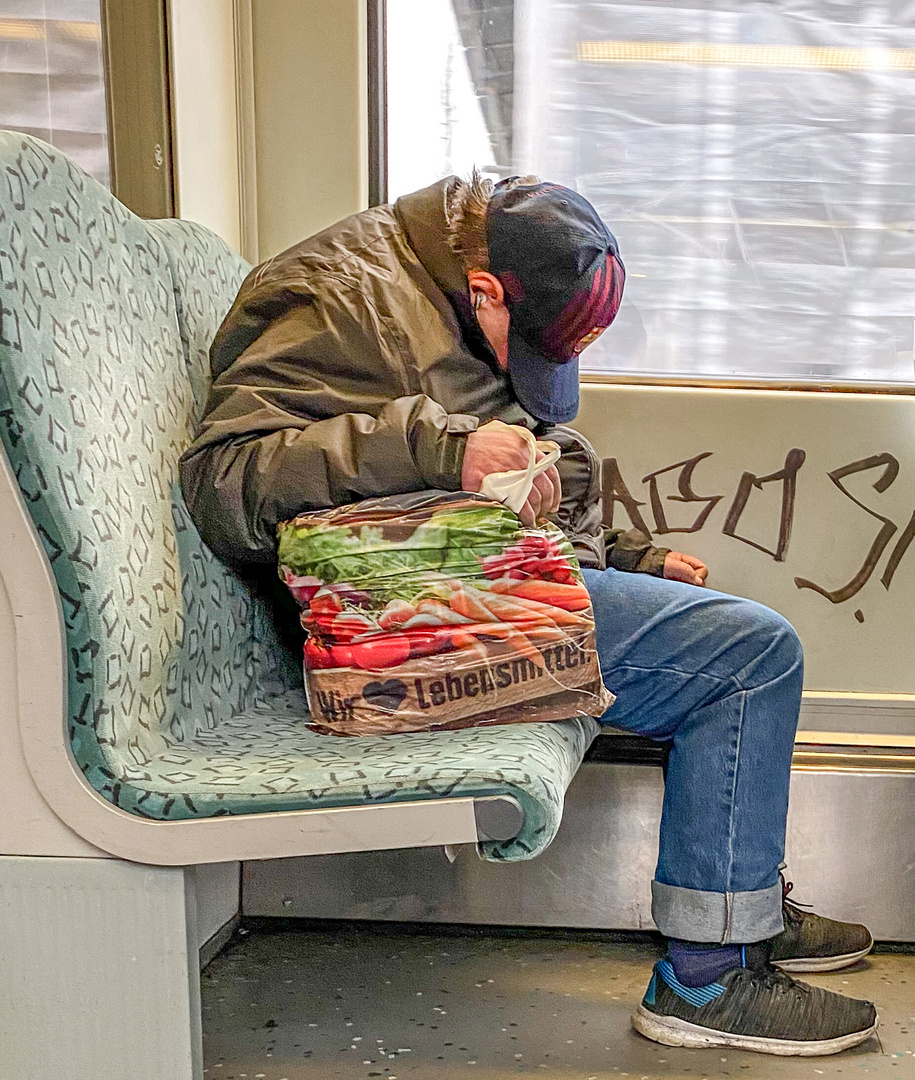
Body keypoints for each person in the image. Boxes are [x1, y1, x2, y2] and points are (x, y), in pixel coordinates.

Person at [180, 172, 879, 1056]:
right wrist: (437, 446)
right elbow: (223, 484)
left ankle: (739, 909)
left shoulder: (452, 288)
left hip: (451, 583)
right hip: (388, 617)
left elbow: (515, 484)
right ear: (485, 290)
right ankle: (708, 977)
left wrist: (628, 557)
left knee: (728, 633)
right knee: (749, 657)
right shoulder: (341, 298)